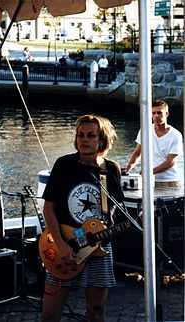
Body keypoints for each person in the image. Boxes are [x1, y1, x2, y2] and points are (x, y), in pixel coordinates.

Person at [41, 114, 124, 322]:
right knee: (50, 315)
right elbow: (48, 209)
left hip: (99, 247)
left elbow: (115, 212)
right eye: (80, 135)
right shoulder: (64, 165)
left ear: (102, 140)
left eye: (90, 135)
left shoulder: (111, 169)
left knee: (96, 312)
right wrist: (60, 244)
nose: (84, 140)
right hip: (64, 245)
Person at [125, 100, 183, 188]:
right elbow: (137, 153)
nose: (156, 116)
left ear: (166, 114)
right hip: (150, 181)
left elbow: (170, 162)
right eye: (153, 113)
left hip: (170, 181)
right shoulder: (145, 130)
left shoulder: (176, 135)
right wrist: (127, 169)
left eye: (159, 113)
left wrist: (148, 172)